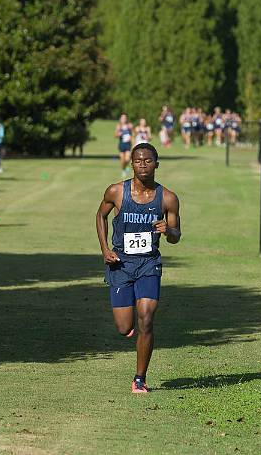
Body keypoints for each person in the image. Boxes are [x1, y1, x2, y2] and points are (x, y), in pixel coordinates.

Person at [95, 143, 182, 393]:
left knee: (146, 318)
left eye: (148, 160)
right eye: (138, 160)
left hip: (148, 263)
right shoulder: (116, 192)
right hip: (121, 264)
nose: (142, 164)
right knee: (124, 328)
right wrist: (104, 249)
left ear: (156, 164)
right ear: (131, 164)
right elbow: (100, 216)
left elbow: (176, 236)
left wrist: (169, 230)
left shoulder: (167, 198)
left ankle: (139, 378)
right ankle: (129, 325)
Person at [115, 113, 133, 178]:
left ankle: (126, 167)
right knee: (122, 159)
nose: (123, 119)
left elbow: (133, 134)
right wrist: (118, 134)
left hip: (128, 144)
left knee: (127, 159)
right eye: (122, 118)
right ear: (120, 119)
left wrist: (131, 138)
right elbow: (115, 135)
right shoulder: (119, 126)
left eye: (124, 118)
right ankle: (123, 170)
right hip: (121, 144)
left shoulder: (129, 125)